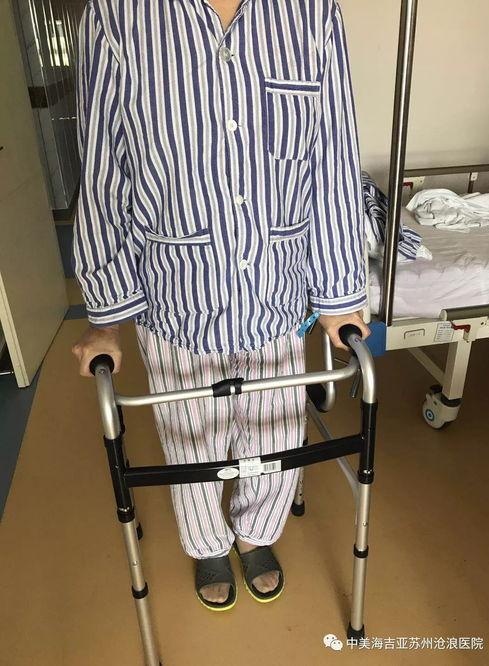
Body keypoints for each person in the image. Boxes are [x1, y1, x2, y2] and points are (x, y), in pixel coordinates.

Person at [71, 0, 370, 612]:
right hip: (177, 290)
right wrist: (107, 319)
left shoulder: (312, 13)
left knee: (276, 425)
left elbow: (334, 159)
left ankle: (257, 532)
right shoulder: (116, 16)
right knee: (191, 435)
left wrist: (339, 295)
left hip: (276, 286)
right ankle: (207, 542)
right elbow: (102, 171)